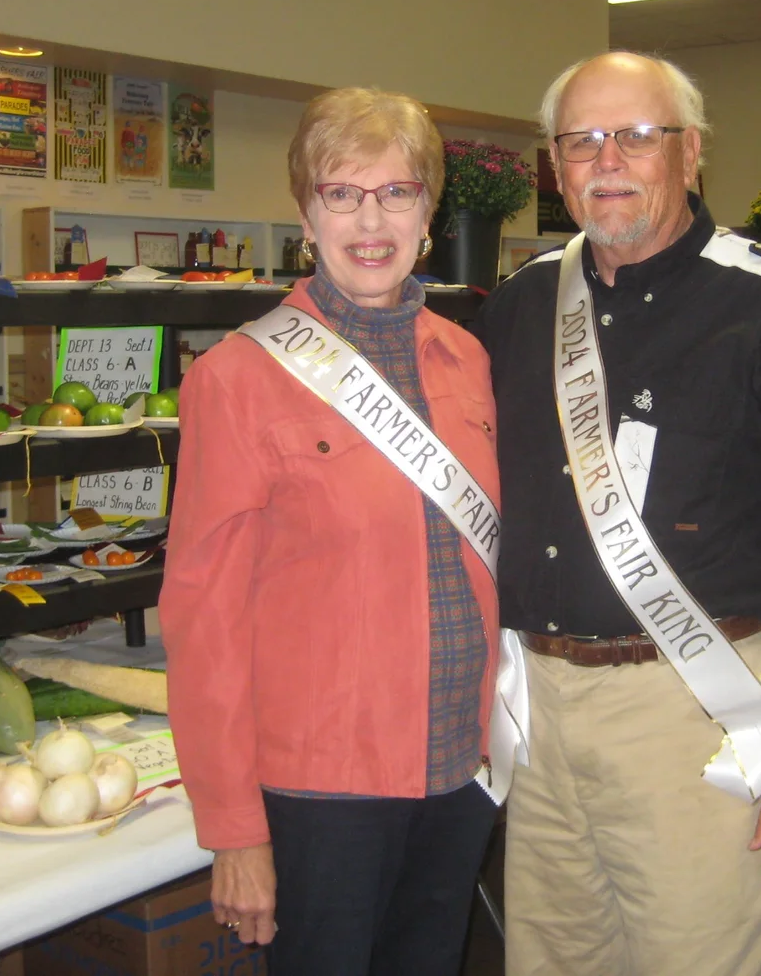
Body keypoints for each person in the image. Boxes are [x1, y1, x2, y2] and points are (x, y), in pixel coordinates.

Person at [475, 52, 761, 976]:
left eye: (638, 135)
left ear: (692, 155)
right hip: (543, 721)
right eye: (582, 140)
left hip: (700, 722)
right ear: (555, 170)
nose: (609, 160)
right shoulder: (518, 310)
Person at [159, 87, 501, 976]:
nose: (371, 219)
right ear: (306, 214)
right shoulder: (237, 378)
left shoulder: (467, 359)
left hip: (460, 768)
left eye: (397, 192)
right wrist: (234, 826)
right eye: (342, 194)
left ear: (430, 213)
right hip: (324, 790)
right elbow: (204, 617)